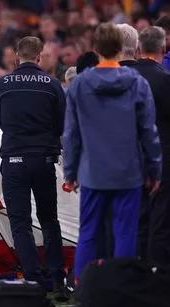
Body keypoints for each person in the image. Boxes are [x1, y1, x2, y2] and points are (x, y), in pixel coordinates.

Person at [63, 23, 162, 280]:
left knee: (89, 231)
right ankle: (123, 287)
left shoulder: (80, 84)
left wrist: (70, 171)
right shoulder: (137, 83)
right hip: (128, 170)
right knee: (125, 232)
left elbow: (72, 133)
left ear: (96, 49)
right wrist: (154, 169)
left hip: (92, 169)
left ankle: (83, 289)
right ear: (122, 48)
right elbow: (148, 131)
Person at [0, 36, 68, 301]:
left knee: (20, 223)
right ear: (39, 57)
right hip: (44, 159)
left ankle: (34, 280)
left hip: (14, 160)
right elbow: (61, 126)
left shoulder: (2, 84)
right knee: (49, 219)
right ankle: (57, 278)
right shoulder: (53, 84)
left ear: (15, 56)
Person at [131, 26, 170, 267]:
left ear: (138, 48)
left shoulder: (124, 78)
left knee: (135, 219)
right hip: (162, 158)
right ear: (163, 47)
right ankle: (157, 274)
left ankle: (135, 271)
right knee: (160, 220)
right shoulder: (165, 80)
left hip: (128, 158)